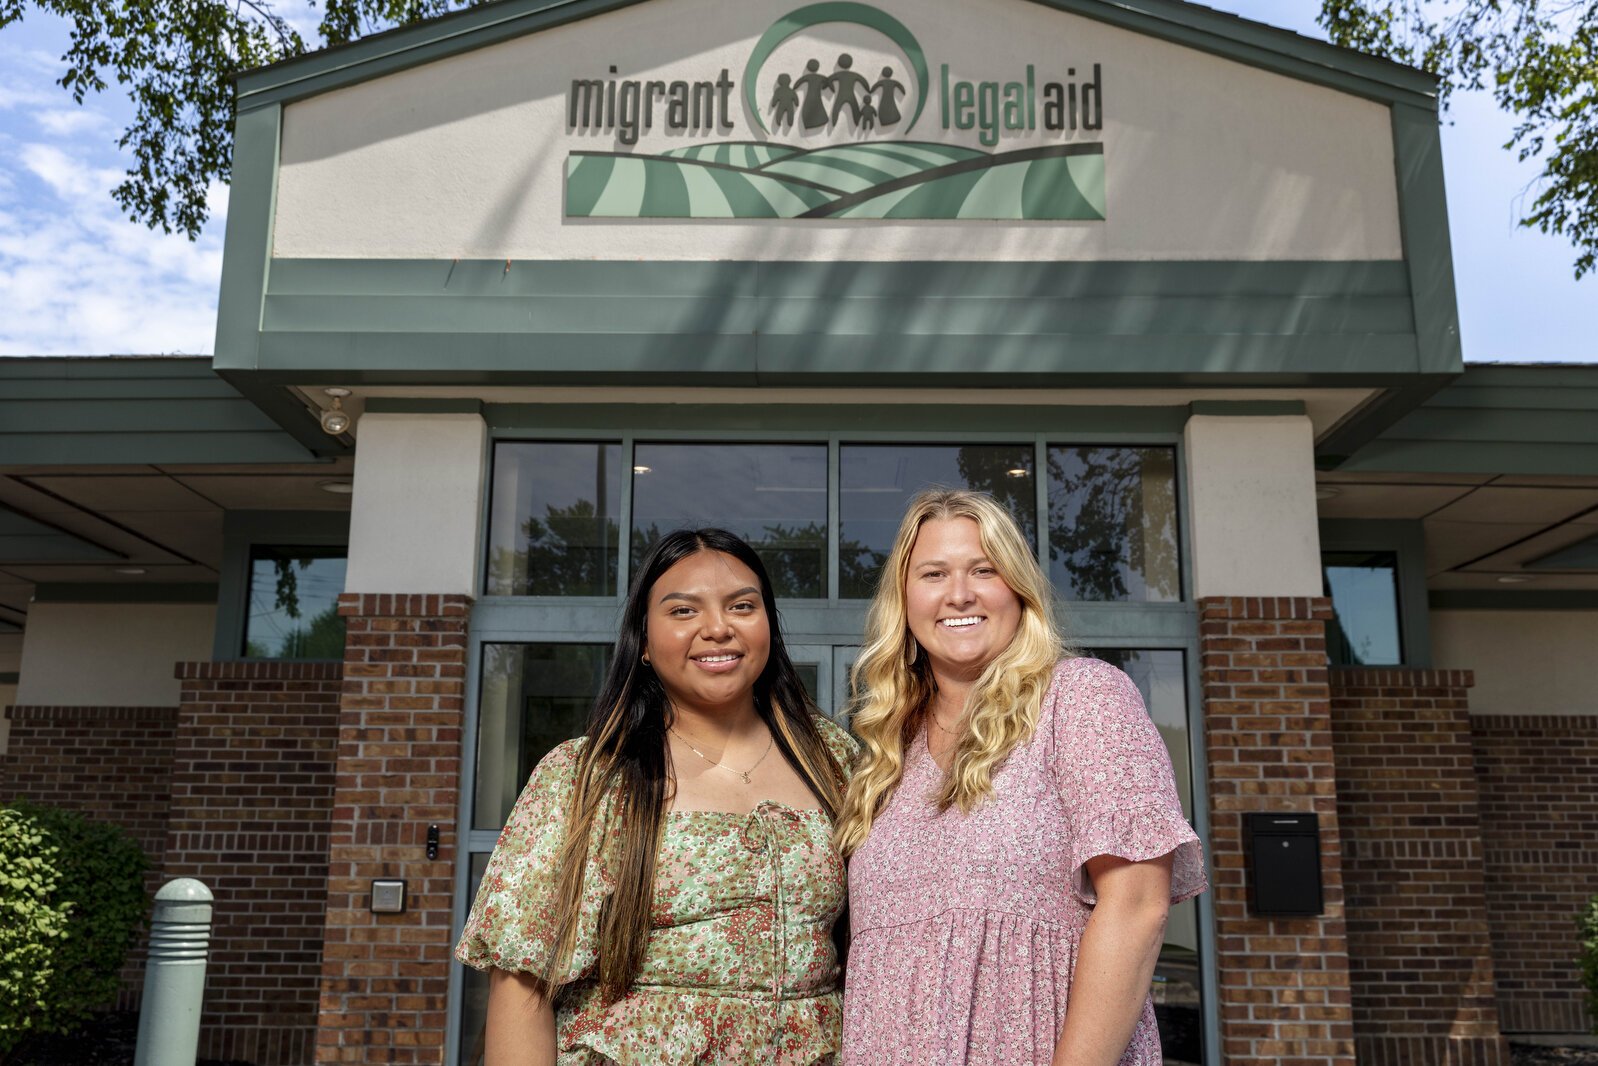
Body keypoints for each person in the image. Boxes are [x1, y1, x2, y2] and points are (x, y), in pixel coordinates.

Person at [456, 528, 858, 1065]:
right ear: (643, 642)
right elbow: (521, 986)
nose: (718, 628)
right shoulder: (587, 776)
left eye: (742, 605)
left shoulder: (832, 757)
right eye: (683, 611)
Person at [835, 490, 1206, 1066]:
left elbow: (1137, 905)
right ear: (904, 600)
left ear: (1018, 589)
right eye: (934, 573)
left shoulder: (1081, 699)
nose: (959, 593)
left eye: (984, 570)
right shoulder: (889, 750)